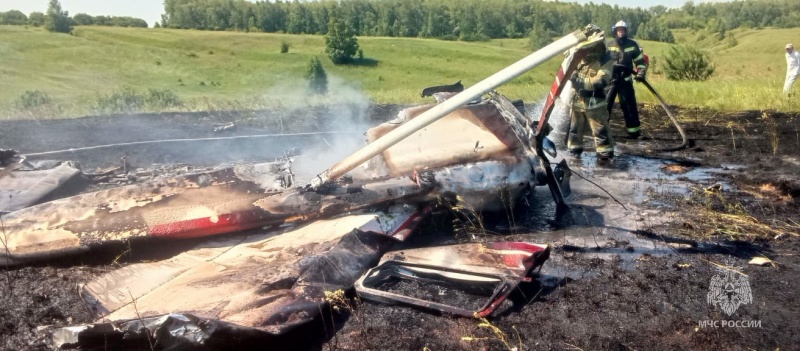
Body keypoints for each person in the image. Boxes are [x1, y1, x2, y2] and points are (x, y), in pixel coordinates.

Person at [567, 41, 615, 161]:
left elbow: (601, 81)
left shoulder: (605, 60)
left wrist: (579, 82)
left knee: (601, 132)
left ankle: (605, 157)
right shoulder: (578, 58)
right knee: (574, 131)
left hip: (595, 104)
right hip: (577, 102)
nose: (588, 51)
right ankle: (574, 154)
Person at [605, 20, 648, 139]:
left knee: (629, 106)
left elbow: (640, 62)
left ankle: (634, 132)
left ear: (626, 31)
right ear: (615, 31)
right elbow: (603, 62)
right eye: (618, 30)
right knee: (605, 105)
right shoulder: (609, 45)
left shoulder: (632, 45)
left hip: (625, 80)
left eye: (622, 30)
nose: (620, 33)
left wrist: (641, 73)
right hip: (611, 80)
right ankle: (602, 131)